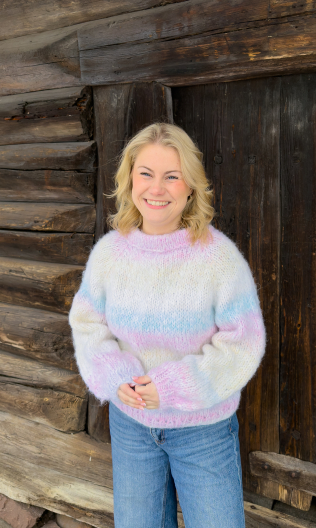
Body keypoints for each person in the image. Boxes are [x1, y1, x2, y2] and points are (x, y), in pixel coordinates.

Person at [69, 122, 266, 528]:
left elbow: (243, 342)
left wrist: (174, 386)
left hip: (203, 431)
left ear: (190, 187)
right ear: (130, 180)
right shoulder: (109, 255)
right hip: (131, 425)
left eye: (172, 176)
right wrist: (115, 375)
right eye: (146, 173)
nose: (156, 188)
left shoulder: (218, 258)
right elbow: (88, 324)